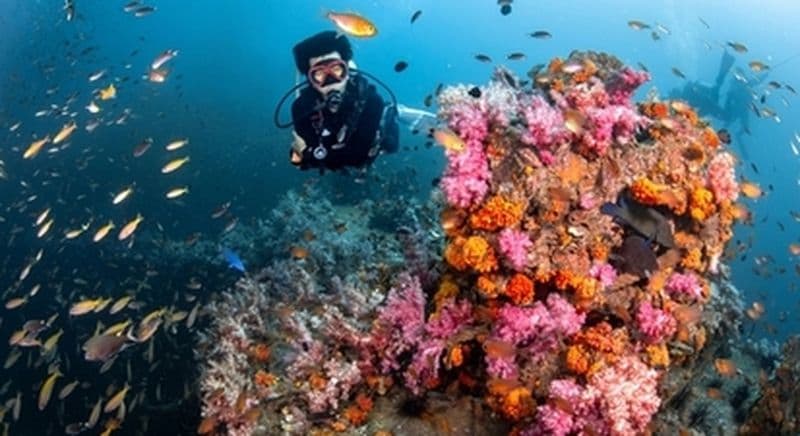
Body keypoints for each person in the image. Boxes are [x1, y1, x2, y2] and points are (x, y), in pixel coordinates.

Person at [288, 31, 399, 172]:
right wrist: (303, 156)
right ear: (311, 80)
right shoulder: (301, 108)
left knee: (391, 145)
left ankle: (394, 111)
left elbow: (358, 157)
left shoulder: (371, 101)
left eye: (336, 69)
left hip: (369, 141)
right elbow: (302, 158)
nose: (330, 80)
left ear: (346, 71)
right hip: (336, 145)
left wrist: (310, 154)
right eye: (320, 74)